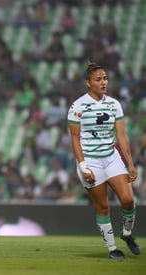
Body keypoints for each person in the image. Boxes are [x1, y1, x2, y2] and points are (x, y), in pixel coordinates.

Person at [67, 62, 141, 259]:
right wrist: (83, 167)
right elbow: (75, 138)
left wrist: (130, 163)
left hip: (111, 157)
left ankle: (126, 234)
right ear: (88, 83)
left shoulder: (114, 104)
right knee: (103, 207)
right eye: (98, 79)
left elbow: (122, 136)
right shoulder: (77, 106)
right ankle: (112, 249)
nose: (103, 82)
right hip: (90, 161)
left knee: (128, 200)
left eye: (105, 78)